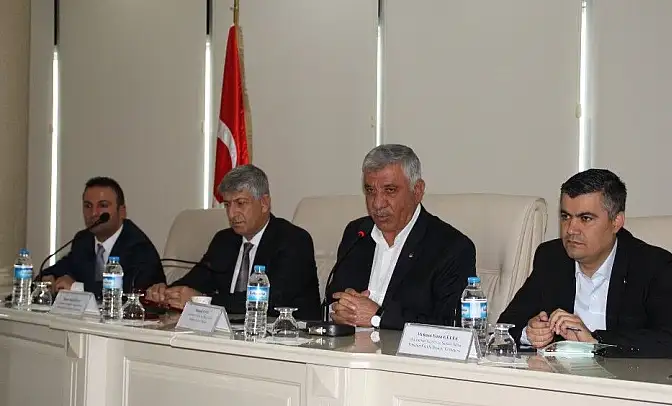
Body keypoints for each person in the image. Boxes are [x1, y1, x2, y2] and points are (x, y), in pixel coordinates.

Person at [497, 169, 672, 358]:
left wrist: (596, 342)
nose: (571, 229)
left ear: (616, 222)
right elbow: (505, 326)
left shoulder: (653, 265)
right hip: (559, 374)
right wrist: (530, 333)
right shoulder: (552, 257)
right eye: (565, 217)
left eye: (585, 218)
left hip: (624, 376)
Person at [326, 144, 476, 330]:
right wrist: (340, 308)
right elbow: (332, 299)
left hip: (404, 350)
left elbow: (452, 326)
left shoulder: (452, 247)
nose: (377, 204)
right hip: (349, 347)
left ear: (417, 191)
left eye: (390, 190)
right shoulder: (357, 233)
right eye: (370, 191)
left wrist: (379, 317)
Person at [145, 165, 321, 320]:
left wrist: (202, 301)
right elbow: (196, 281)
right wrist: (165, 292)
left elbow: (272, 300)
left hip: (288, 336)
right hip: (231, 334)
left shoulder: (294, 240)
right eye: (227, 205)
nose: (231, 214)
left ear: (264, 203)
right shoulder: (224, 240)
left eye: (240, 203)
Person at [40, 177, 165, 298]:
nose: (93, 213)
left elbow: (132, 291)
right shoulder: (83, 240)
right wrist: (48, 278)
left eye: (103, 205)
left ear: (122, 211)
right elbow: (56, 270)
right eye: (88, 206)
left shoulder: (139, 247)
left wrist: (77, 288)